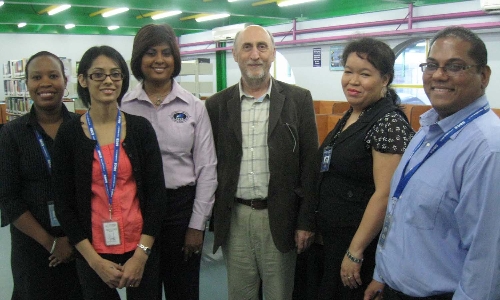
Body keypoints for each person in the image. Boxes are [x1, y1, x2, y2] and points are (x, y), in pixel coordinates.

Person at [364, 26, 500, 300]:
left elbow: (487, 257)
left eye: (455, 66)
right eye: (432, 65)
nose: (438, 75)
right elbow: (402, 211)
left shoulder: (488, 149)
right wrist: (382, 273)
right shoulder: (426, 129)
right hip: (394, 288)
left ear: (483, 76)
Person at [205, 24, 318, 300]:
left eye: (262, 47)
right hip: (236, 218)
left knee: (279, 294)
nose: (255, 55)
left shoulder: (298, 99)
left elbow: (310, 166)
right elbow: (209, 165)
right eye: (247, 47)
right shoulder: (216, 105)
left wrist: (305, 222)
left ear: (273, 53)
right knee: (240, 294)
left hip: (279, 217)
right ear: (234, 54)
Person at [52, 45, 165, 299]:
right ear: (83, 79)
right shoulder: (69, 135)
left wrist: (141, 254)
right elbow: (64, 205)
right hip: (94, 251)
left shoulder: (140, 129)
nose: (108, 81)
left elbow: (157, 196)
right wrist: (93, 262)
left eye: (116, 74)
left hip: (140, 246)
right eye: (98, 74)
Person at [120, 23, 217, 300]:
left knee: (183, 291)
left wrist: (197, 225)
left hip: (181, 210)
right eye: (150, 53)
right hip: (137, 210)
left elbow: (207, 169)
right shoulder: (124, 106)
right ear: (139, 59)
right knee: (141, 290)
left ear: (175, 58)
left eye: (166, 53)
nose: (159, 60)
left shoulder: (193, 106)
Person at [315, 38, 414, 300]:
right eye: (348, 71)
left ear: (385, 79)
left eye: (365, 74)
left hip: (360, 245)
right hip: (336, 238)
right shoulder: (354, 113)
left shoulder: (388, 123)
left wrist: (355, 251)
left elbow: (385, 194)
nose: (353, 81)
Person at [0, 51, 83, 300]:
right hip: (32, 247)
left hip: (82, 245)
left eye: (53, 75)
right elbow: (7, 198)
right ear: (27, 84)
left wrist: (71, 239)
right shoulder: (11, 134)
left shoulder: (83, 129)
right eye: (36, 77)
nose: (45, 83)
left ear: (65, 82)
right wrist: (52, 243)